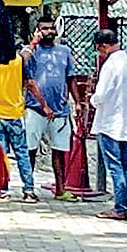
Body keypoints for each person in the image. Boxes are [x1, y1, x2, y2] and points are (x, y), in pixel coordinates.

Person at [22, 16, 81, 202]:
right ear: (37, 31)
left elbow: (70, 78)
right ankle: (28, 188)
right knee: (30, 150)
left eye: (51, 28)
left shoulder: (64, 51)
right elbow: (26, 76)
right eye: (44, 29)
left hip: (60, 109)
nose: (49, 32)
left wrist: (77, 102)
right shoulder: (31, 51)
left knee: (59, 151)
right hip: (35, 108)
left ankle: (61, 190)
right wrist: (33, 43)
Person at [89, 29, 127, 220]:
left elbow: (101, 95)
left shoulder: (110, 66)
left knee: (115, 166)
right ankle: (123, 203)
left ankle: (120, 207)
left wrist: (92, 100)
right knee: (125, 165)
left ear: (103, 46)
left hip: (110, 122)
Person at [0, 46, 39, 203]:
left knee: (0, 155)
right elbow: (28, 83)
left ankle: (1, 189)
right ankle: (29, 190)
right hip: (15, 114)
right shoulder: (19, 62)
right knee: (22, 153)